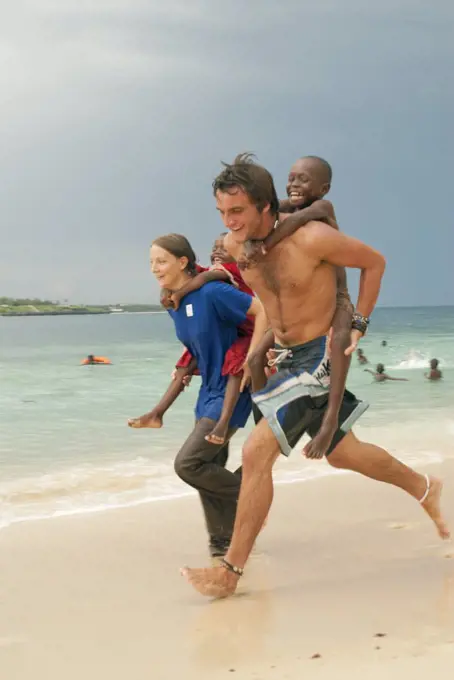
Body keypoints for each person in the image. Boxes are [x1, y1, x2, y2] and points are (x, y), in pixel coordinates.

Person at [181, 154, 449, 598]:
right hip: (287, 357)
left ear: (267, 206)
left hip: (320, 355)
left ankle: (230, 570)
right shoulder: (235, 246)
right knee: (344, 454)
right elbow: (270, 302)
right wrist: (258, 350)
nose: (229, 222)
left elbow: (375, 262)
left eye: (238, 212)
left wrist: (360, 323)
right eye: (223, 213)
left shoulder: (313, 238)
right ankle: (424, 488)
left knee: (256, 450)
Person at [128, 233, 268, 559]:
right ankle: (222, 544)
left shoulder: (213, 291)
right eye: (151, 262)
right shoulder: (174, 301)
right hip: (207, 392)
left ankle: (255, 497)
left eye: (160, 261)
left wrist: (252, 358)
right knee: (208, 466)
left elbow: (262, 311)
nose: (154, 268)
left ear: (182, 262)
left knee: (188, 464)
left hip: (232, 389)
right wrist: (173, 385)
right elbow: (197, 346)